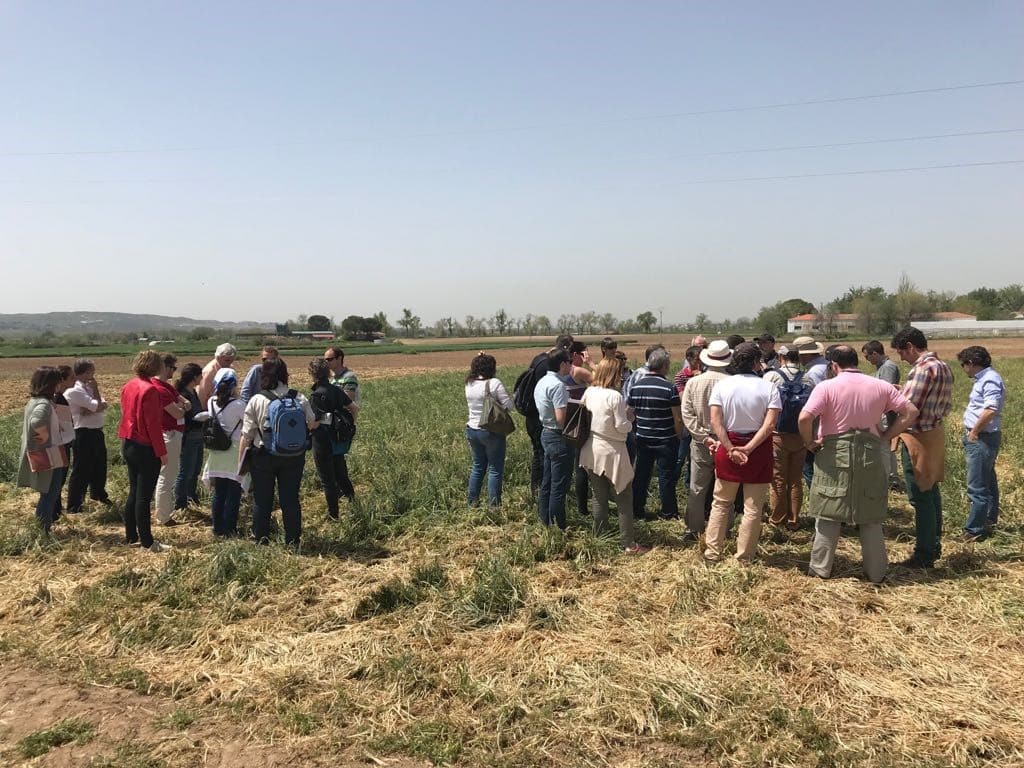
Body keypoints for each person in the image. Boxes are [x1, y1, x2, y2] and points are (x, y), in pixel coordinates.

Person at [800, 346, 919, 583]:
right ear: (857, 362)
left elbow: (805, 417)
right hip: (870, 451)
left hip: (834, 453)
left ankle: (820, 570)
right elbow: (911, 412)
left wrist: (810, 443)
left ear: (834, 365)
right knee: (871, 515)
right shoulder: (880, 385)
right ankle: (876, 573)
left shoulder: (826, 387)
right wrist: (886, 435)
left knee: (828, 513)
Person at [704, 343, 781, 563]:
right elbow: (769, 426)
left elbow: (715, 421)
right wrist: (748, 448)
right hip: (758, 447)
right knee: (753, 508)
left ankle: (712, 552)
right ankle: (744, 556)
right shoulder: (769, 388)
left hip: (729, 444)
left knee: (720, 502)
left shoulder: (722, 386)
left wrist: (729, 447)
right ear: (757, 363)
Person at [891, 327, 953, 568]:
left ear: (910, 346)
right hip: (934, 433)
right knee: (931, 490)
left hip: (917, 437)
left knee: (920, 497)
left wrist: (888, 433)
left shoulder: (921, 369)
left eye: (902, 353)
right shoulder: (943, 366)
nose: (903, 358)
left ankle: (924, 553)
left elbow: (910, 409)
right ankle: (934, 544)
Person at [240, 358, 317, 548]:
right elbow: (312, 423)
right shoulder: (298, 397)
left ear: (264, 376)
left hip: (263, 455)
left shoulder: (257, 399)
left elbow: (247, 435)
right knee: (290, 499)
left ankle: (261, 540)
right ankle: (293, 541)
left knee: (262, 500)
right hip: (293, 456)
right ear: (285, 374)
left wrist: (240, 463)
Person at [580, 357, 647, 554]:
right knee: (624, 498)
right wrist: (630, 419)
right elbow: (622, 427)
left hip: (590, 449)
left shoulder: (589, 392)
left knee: (598, 497)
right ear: (613, 374)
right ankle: (628, 544)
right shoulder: (614, 396)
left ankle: (601, 537)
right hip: (613, 452)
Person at [117, 350, 170, 552]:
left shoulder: (129, 385)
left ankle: (131, 535)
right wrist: (162, 451)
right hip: (146, 447)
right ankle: (147, 542)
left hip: (128, 442)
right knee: (143, 496)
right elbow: (153, 425)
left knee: (134, 491)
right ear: (156, 366)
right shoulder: (150, 390)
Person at [681, 340, 732, 542]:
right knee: (725, 487)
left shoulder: (694, 383)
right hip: (726, 442)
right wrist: (723, 439)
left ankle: (693, 529)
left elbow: (687, 414)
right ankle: (723, 530)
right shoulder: (732, 382)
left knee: (697, 487)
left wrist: (702, 437)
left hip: (701, 443)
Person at [628, 348, 683, 520]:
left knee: (641, 476)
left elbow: (630, 414)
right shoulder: (669, 388)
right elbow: (678, 418)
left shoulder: (636, 386)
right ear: (664, 366)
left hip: (643, 438)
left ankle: (637, 510)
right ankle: (669, 512)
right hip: (666, 439)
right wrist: (679, 436)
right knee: (665, 477)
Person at [957, 345, 1005, 541]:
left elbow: (990, 408)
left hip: (982, 437)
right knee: (987, 480)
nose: (964, 369)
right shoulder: (985, 379)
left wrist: (974, 432)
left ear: (970, 363)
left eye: (963, 365)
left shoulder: (990, 379)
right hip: (984, 436)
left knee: (977, 485)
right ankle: (988, 520)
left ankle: (974, 530)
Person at [17, 367, 68, 532]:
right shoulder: (44, 404)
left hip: (46, 451)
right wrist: (44, 436)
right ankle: (42, 530)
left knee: (47, 493)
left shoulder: (34, 401)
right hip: (49, 453)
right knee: (49, 494)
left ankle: (42, 528)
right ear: (52, 384)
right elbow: (37, 422)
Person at [520, 335, 573, 495]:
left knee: (538, 453)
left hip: (534, 414)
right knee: (543, 457)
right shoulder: (550, 372)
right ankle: (542, 489)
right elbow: (557, 410)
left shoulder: (539, 359)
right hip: (544, 420)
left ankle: (540, 491)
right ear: (566, 347)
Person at [763, 345, 807, 528]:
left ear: (781, 357)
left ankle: (777, 519)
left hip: (778, 434)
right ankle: (794, 519)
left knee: (778, 478)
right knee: (796, 479)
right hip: (801, 434)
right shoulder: (808, 377)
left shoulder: (772, 376)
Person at [310, 358, 359, 518]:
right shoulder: (336, 390)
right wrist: (350, 426)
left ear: (312, 374)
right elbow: (353, 407)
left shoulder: (316, 395)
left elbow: (315, 422)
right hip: (338, 440)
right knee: (341, 474)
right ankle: (354, 505)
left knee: (327, 481)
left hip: (322, 442)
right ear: (328, 372)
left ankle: (333, 516)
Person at [462, 353, 514, 507]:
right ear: (491, 368)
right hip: (491, 431)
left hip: (472, 429)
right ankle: (494, 506)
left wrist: (480, 357)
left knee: (478, 467)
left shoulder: (469, 383)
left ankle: (472, 503)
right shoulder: (494, 383)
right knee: (495, 469)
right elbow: (509, 406)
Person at [202, 368, 247, 537]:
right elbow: (248, 425)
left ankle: (217, 527)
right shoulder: (238, 405)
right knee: (233, 494)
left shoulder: (211, 402)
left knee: (219, 493)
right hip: (234, 451)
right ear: (234, 385)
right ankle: (230, 529)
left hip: (217, 451)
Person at [63, 358, 112, 512]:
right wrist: (95, 403)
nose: (93, 375)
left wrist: (94, 404)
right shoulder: (75, 391)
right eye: (91, 372)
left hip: (96, 430)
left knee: (99, 465)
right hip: (83, 433)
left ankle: (98, 494)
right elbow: (98, 405)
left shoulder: (88, 388)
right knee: (82, 469)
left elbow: (103, 404)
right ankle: (74, 505)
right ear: (84, 373)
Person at [535, 349, 573, 529]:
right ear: (562, 364)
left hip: (545, 432)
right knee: (559, 485)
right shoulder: (558, 386)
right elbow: (561, 418)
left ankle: (545, 521)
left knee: (547, 482)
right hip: (558, 436)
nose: (571, 366)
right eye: (569, 362)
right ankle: (559, 526)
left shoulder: (542, 381)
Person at [153, 354, 189, 527]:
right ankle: (163, 516)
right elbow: (178, 412)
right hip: (170, 434)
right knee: (167, 476)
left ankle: (162, 512)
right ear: (165, 367)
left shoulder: (164, 386)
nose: (174, 372)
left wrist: (182, 405)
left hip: (172, 433)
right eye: (173, 368)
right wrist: (182, 407)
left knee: (167, 474)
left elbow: (183, 402)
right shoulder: (160, 389)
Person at [862, 340, 903, 489]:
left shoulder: (888, 367)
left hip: (886, 413)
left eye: (868, 357)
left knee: (884, 445)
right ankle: (891, 477)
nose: (867, 360)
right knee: (885, 446)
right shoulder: (882, 367)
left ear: (875, 353)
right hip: (883, 412)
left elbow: (886, 390)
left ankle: (889, 479)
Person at [174, 363, 204, 511]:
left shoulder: (193, 392)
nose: (202, 378)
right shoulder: (183, 395)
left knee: (196, 469)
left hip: (198, 436)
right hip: (189, 436)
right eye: (200, 375)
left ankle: (191, 497)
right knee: (185, 471)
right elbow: (183, 417)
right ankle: (180, 504)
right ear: (194, 377)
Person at [51, 365, 76, 518]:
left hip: (62, 441)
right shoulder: (57, 398)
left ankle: (56, 510)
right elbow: (62, 424)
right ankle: (54, 512)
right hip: (61, 443)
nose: (74, 380)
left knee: (59, 479)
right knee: (58, 479)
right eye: (72, 377)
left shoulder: (58, 396)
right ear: (62, 380)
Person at [197, 343, 237, 409]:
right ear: (218, 357)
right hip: (212, 409)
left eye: (232, 360)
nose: (229, 363)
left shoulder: (230, 369)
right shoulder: (209, 372)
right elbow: (202, 396)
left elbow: (234, 390)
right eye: (227, 360)